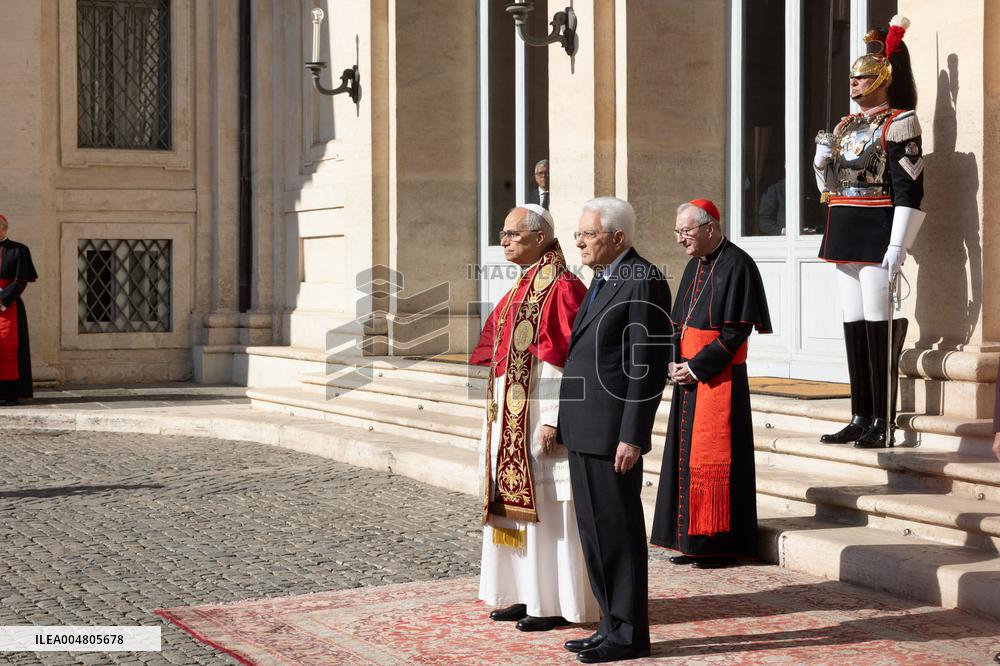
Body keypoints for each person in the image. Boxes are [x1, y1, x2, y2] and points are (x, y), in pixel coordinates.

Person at [470, 204, 599, 632]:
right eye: (503, 233)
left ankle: (553, 602)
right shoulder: (523, 285)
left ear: (540, 237)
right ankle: (522, 593)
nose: (503, 240)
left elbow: (565, 364)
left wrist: (554, 420)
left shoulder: (560, 287)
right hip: (511, 419)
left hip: (539, 419)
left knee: (550, 512)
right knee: (518, 511)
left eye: (512, 233)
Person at [557, 197, 672, 663]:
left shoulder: (643, 279)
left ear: (618, 238)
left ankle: (628, 635)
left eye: (589, 234)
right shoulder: (603, 279)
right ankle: (609, 623)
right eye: (579, 233)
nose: (579, 241)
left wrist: (633, 435)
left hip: (612, 434)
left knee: (619, 535)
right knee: (594, 534)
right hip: (586, 428)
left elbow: (646, 366)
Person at [814, 16, 924, 449]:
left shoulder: (899, 121)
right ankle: (860, 413)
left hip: (877, 226)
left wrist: (899, 242)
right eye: (852, 78)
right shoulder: (842, 127)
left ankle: (883, 415)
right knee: (852, 321)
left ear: (882, 78)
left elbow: (909, 187)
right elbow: (831, 188)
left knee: (878, 322)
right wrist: (821, 165)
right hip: (843, 224)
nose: (854, 84)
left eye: (862, 78)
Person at [650, 200, 772, 570]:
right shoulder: (692, 266)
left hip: (721, 380)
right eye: (677, 232)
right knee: (685, 460)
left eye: (685, 232)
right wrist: (673, 361)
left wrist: (698, 368)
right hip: (688, 378)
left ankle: (718, 544)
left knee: (718, 462)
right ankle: (691, 541)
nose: (680, 239)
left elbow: (736, 331)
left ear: (710, 228)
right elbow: (677, 324)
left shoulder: (739, 265)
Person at [0, 214, 38, 406]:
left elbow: (21, 280)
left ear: (5, 229)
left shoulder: (20, 250)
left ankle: (10, 394)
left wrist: (2, 299)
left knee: (11, 349)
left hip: (10, 304)